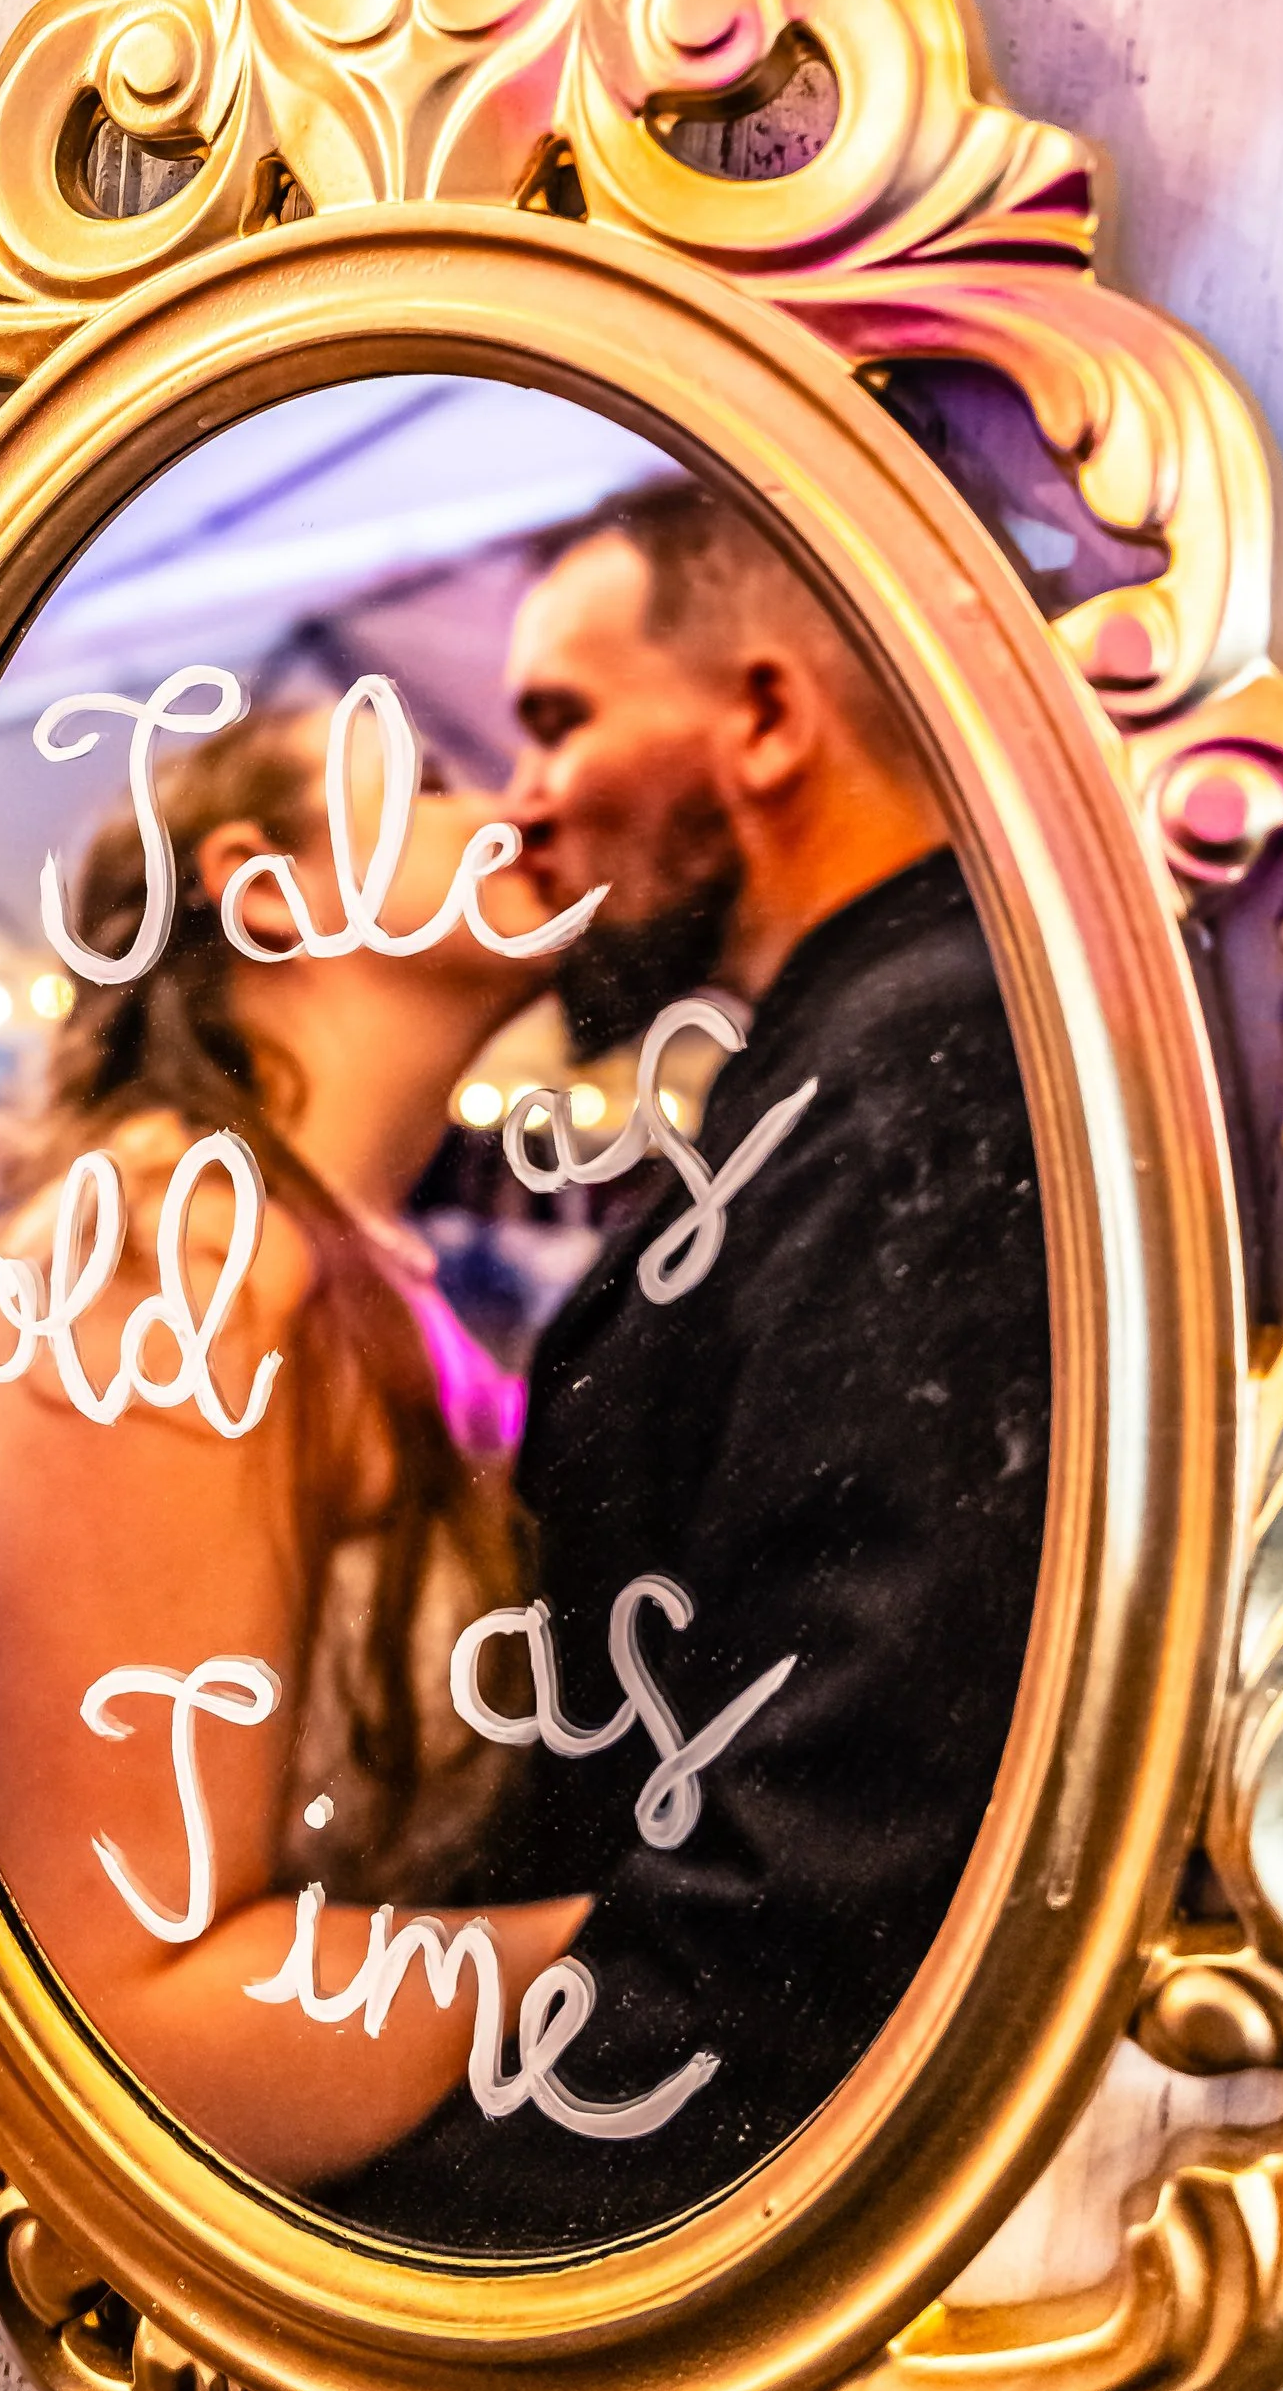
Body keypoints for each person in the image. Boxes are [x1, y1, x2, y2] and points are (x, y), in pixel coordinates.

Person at [319, 475, 1053, 2249]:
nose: (527, 799)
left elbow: (823, 1873)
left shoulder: (915, 1084)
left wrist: (396, 2236)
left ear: (767, 716)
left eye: (562, 717)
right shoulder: (857, 1064)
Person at [0, 700, 592, 2189]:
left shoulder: (340, 1271)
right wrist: (676, 1949)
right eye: (439, 775)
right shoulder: (169, 1254)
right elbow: (119, 2036)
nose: (518, 802)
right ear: (263, 885)